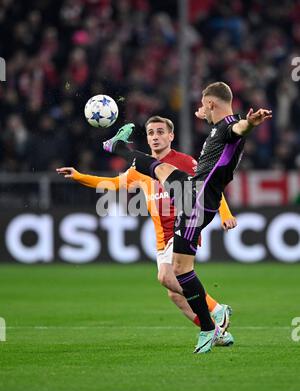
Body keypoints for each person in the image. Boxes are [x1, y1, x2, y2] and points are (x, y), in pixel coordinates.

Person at [101, 82, 272, 353]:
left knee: (180, 271)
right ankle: (118, 146)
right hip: (193, 188)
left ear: (213, 104)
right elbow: (227, 126)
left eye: (204, 105)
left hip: (197, 201)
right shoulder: (220, 124)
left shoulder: (231, 126)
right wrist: (207, 114)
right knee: (157, 167)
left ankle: (210, 324)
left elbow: (240, 129)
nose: (200, 109)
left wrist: (250, 123)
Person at [57, 115, 237, 345]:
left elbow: (210, 187)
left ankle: (218, 309)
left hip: (183, 225)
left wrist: (226, 213)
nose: (155, 137)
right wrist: (79, 176)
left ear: (171, 136)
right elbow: (113, 185)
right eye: (151, 133)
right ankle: (216, 334)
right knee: (175, 293)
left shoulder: (186, 162)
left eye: (161, 132)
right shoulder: (140, 168)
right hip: (161, 236)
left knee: (165, 276)